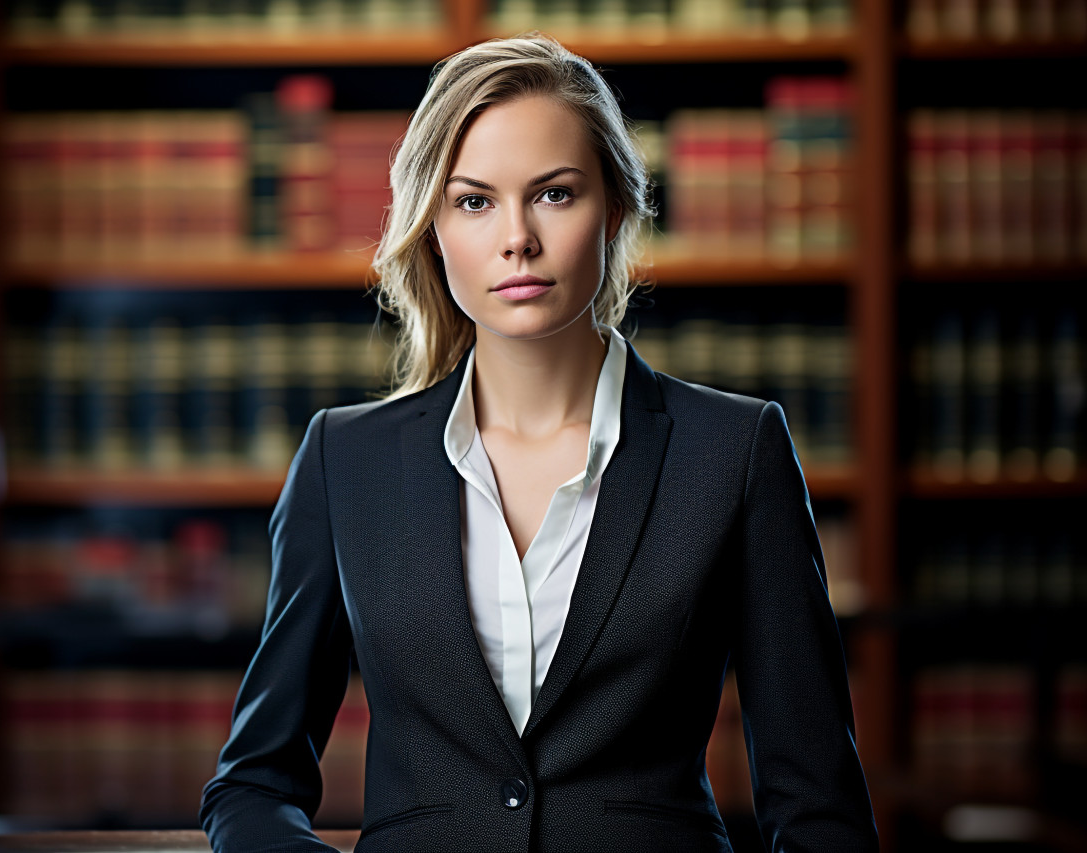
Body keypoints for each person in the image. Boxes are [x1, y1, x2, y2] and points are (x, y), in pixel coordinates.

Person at [200, 32, 878, 853]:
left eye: (554, 194)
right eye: (474, 201)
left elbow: (819, 811)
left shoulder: (735, 451)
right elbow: (254, 783)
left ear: (616, 207)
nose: (516, 236)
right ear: (433, 228)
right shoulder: (346, 462)